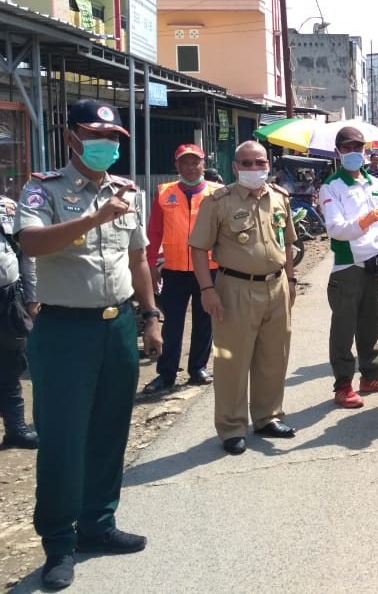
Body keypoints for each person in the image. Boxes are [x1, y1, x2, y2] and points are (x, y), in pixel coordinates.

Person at [15, 99, 163, 590]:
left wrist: (150, 317)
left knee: (108, 431)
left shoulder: (126, 192)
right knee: (62, 440)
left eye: (115, 137)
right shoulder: (43, 189)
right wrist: (93, 219)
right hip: (64, 331)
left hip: (117, 324)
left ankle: (98, 525)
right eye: (97, 134)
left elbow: (138, 258)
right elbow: (31, 245)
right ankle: (59, 542)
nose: (108, 144)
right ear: (73, 137)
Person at [188, 140, 298, 456]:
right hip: (234, 288)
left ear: (268, 165)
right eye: (246, 163)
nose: (253, 168)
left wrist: (290, 280)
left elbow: (288, 242)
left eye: (259, 162)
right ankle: (232, 427)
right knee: (231, 362)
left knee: (273, 356)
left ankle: (267, 417)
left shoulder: (279, 198)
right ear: (235, 167)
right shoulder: (218, 201)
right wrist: (207, 290)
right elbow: (198, 248)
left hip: (275, 286)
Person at [319, 125, 378, 410]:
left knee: (370, 325)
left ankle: (371, 376)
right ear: (338, 152)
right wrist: (364, 222)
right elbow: (336, 228)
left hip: (373, 265)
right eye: (348, 147)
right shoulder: (332, 186)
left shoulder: (372, 182)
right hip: (348, 268)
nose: (354, 152)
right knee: (343, 331)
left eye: (359, 147)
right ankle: (343, 386)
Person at [142, 144, 222, 394]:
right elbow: (154, 232)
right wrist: (151, 265)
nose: (190, 167)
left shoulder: (217, 193)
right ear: (177, 166)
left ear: (203, 164)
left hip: (209, 269)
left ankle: (198, 368)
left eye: (195, 162)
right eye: (184, 162)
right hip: (174, 270)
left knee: (204, 321)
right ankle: (165, 374)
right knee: (172, 324)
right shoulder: (164, 194)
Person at [1, 193, 38, 449]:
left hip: (7, 299)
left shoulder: (7, 206)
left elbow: (26, 254)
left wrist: (33, 297)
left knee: (10, 364)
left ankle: (16, 429)